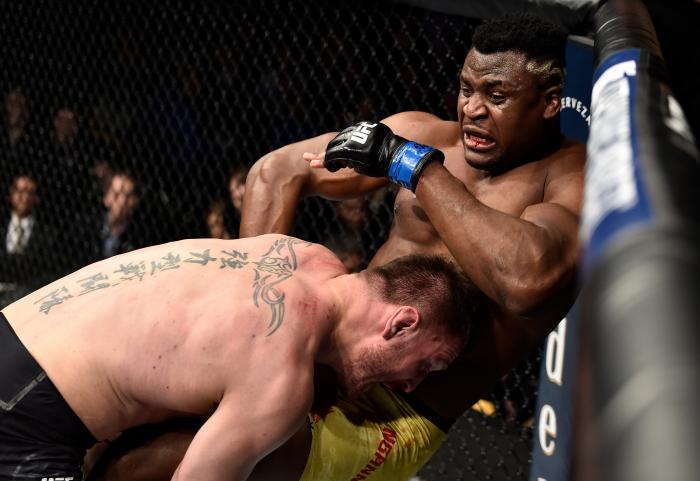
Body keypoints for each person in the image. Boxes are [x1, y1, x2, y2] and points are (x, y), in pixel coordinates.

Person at [92, 12, 586, 481]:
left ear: (549, 101)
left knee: (168, 457)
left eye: (496, 95)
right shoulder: (429, 134)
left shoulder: (573, 180)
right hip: (323, 354)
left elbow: (526, 282)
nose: (472, 109)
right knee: (125, 412)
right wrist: (254, 320)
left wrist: (415, 167)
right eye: (465, 88)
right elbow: (277, 172)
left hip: (398, 411)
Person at [0, 233, 484, 481]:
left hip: (14, 329)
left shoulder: (301, 254)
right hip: (27, 419)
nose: (411, 385)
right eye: (425, 364)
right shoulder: (281, 380)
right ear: (400, 324)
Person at [0, 174, 60, 307]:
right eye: (20, 191)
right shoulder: (2, 225)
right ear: (12, 194)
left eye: (29, 192)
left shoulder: (47, 233)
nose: (24, 197)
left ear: (36, 198)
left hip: (27, 294)